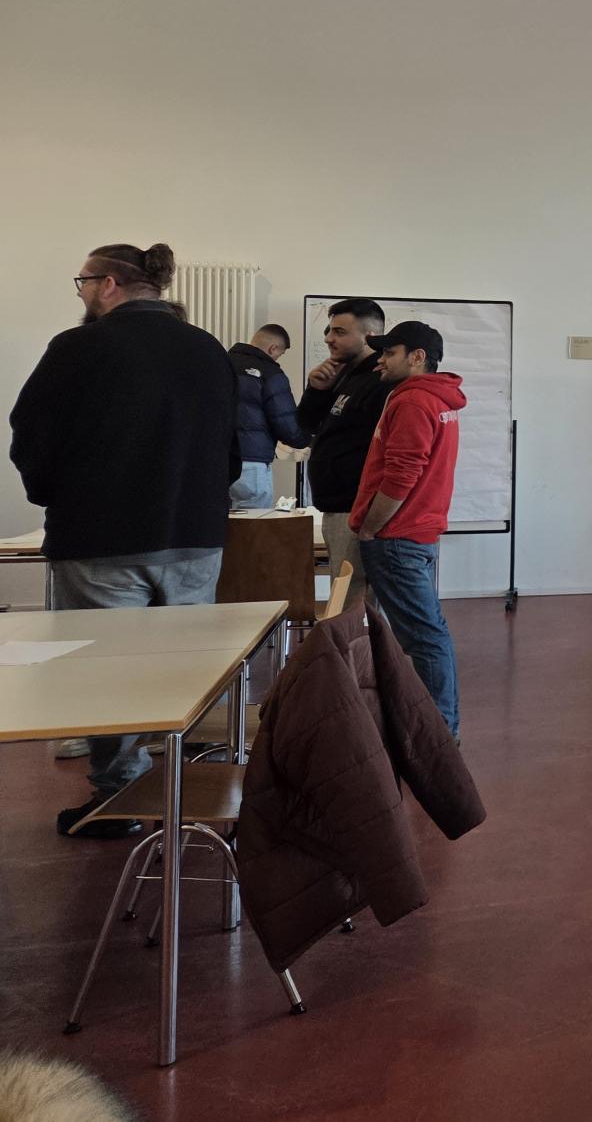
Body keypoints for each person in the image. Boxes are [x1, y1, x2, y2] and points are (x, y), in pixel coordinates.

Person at [8, 242, 237, 836]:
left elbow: (30, 431)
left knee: (105, 674)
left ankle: (121, 798)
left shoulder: (78, 346)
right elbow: (232, 446)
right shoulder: (208, 349)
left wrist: (53, 494)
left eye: (83, 282)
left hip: (101, 538)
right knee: (183, 670)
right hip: (194, 537)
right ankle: (180, 791)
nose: (82, 293)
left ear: (107, 283)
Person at [349, 321, 465, 735]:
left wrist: (370, 528)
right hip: (415, 534)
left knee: (424, 636)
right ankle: (440, 726)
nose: (379, 361)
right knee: (428, 632)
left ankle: (438, 732)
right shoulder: (438, 399)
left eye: (389, 353)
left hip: (397, 537)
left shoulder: (414, 401)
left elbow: (401, 475)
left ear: (417, 357)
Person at [297, 298, 393, 595]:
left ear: (370, 337)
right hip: (336, 506)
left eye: (339, 332)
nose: (329, 338)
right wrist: (316, 390)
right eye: (329, 330)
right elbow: (305, 427)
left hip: (356, 506)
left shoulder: (381, 380)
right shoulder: (344, 374)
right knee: (346, 592)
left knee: (352, 596)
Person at [228, 323, 309, 509]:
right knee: (253, 523)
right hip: (251, 462)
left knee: (218, 521)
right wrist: (307, 440)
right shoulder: (270, 373)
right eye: (280, 354)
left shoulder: (221, 363)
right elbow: (285, 423)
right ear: (273, 348)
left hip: (216, 459)